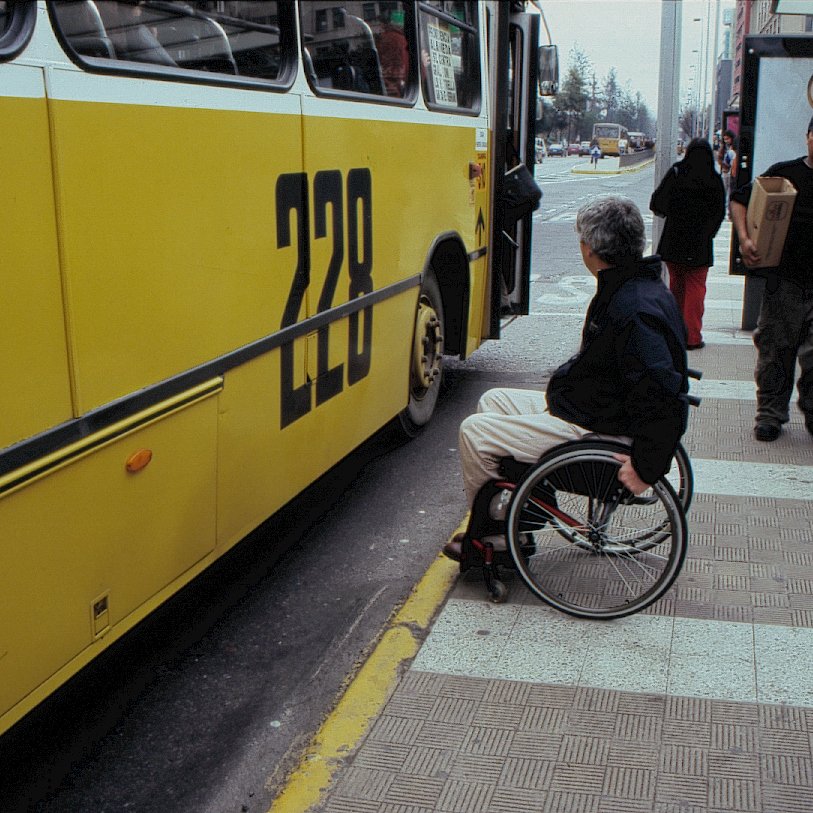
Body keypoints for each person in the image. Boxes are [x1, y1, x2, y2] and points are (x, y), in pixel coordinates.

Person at [443, 196, 689, 560]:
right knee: (494, 400)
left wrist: (646, 467)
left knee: (475, 432)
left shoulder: (632, 309)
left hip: (604, 437)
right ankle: (522, 517)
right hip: (597, 411)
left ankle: (497, 540)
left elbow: (663, 394)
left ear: (589, 249)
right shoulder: (639, 286)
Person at [729, 116, 813, 443]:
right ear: (807, 136)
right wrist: (746, 240)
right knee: (775, 350)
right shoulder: (784, 173)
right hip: (784, 281)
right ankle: (770, 415)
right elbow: (739, 200)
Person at [650, 138, 726, 350]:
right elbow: (720, 212)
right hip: (700, 244)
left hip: (674, 242)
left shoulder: (677, 173)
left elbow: (657, 203)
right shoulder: (714, 179)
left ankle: (675, 334)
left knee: (676, 287)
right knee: (696, 290)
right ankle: (692, 337)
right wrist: (708, 233)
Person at [718, 130, 737, 210]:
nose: (726, 141)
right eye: (724, 139)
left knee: (730, 190)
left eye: (727, 139)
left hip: (730, 172)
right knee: (724, 190)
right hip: (725, 171)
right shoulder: (724, 148)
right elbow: (720, 158)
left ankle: (729, 208)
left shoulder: (734, 148)